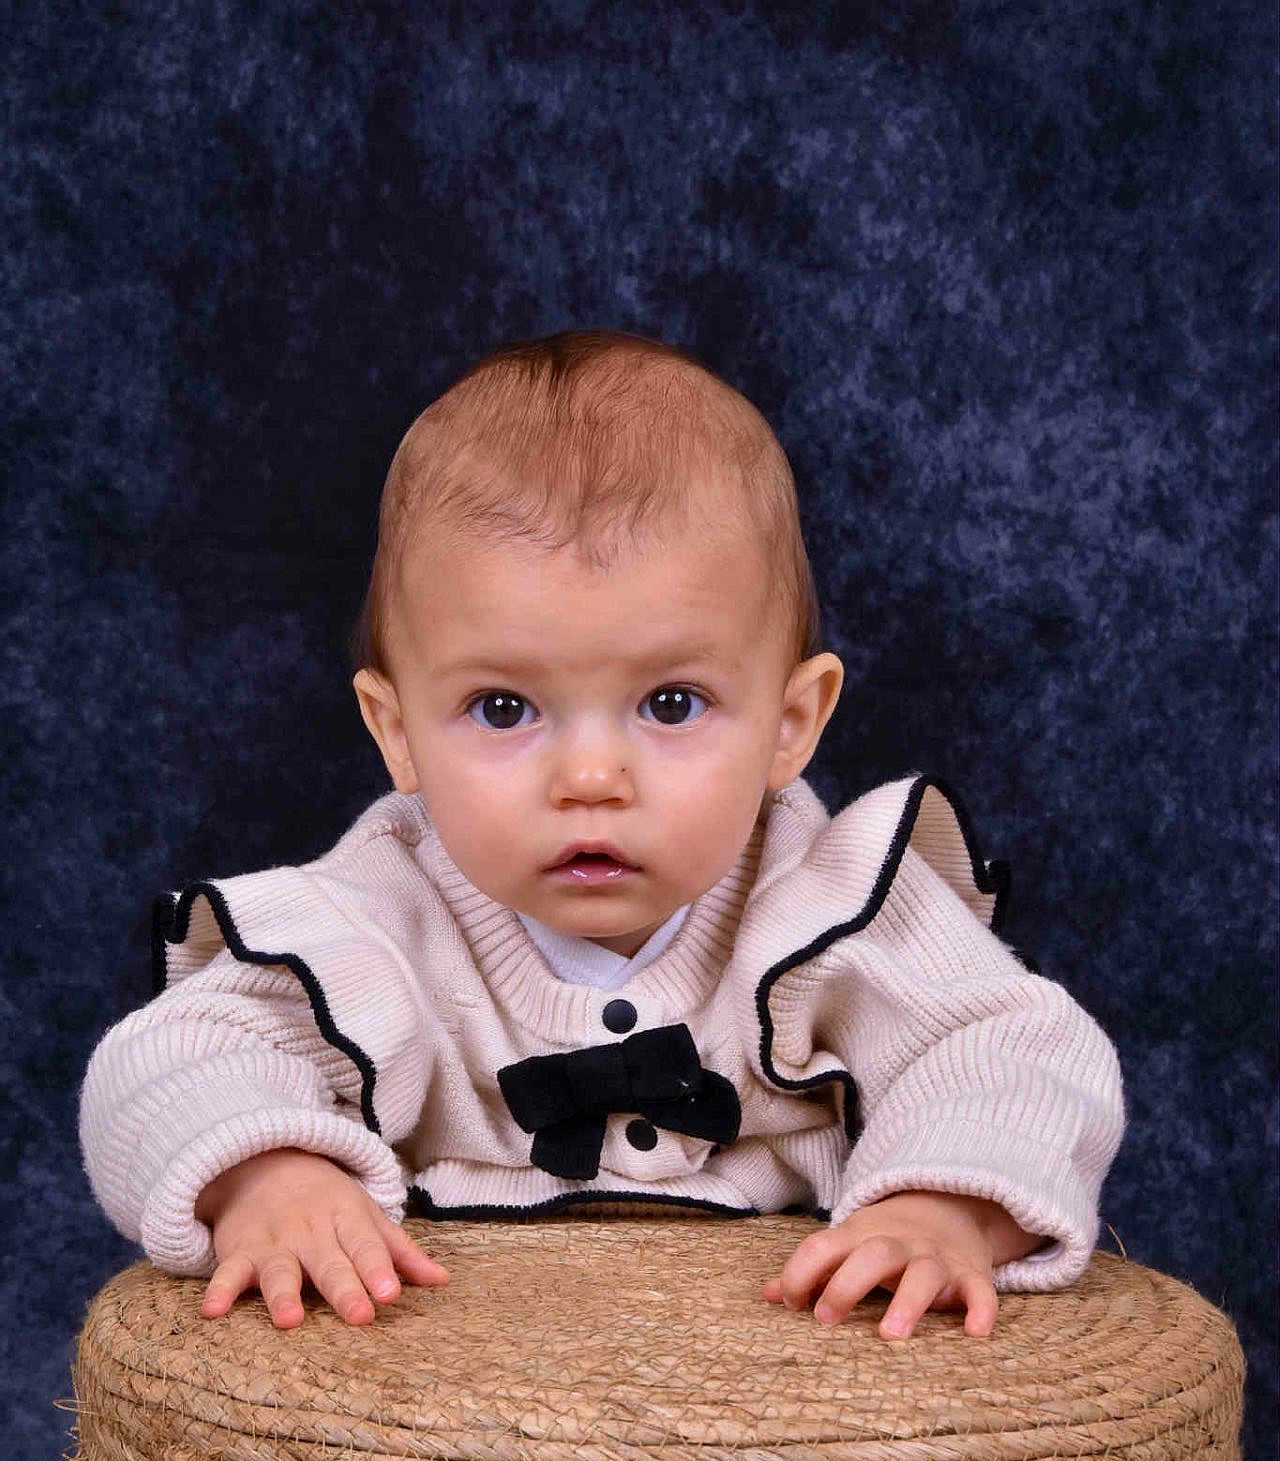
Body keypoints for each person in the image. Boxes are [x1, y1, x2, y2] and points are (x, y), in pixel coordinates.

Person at [79, 328, 1125, 1342]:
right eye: (502, 709)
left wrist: (941, 1207)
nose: (589, 779)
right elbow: (170, 1058)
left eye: (670, 705)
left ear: (788, 725)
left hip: (772, 1403)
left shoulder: (830, 900)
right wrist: (269, 1174)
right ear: (396, 735)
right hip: (463, 1406)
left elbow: (1012, 1051)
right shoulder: (377, 918)